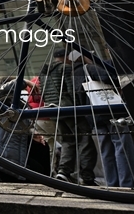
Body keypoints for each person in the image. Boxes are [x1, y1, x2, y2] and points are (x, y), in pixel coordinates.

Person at [40, 48, 97, 185]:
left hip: (54, 110)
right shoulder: (64, 68)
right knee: (85, 139)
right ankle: (87, 176)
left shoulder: (44, 72)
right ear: (66, 57)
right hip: (69, 108)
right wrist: (79, 108)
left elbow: (43, 94)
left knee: (67, 141)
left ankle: (63, 172)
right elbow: (72, 90)